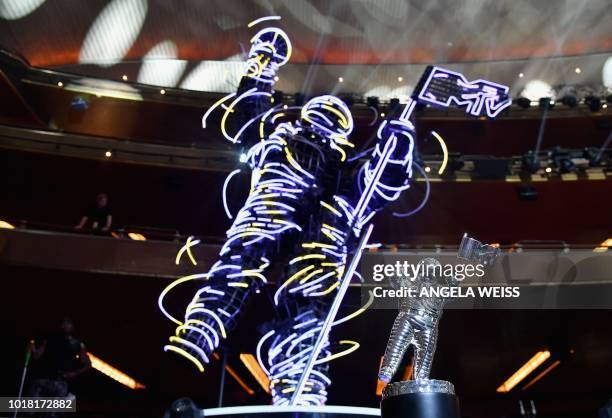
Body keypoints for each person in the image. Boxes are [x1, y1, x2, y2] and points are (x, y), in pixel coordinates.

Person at [28, 318, 91, 402]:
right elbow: (36, 356)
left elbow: (88, 364)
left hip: (60, 382)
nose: (66, 326)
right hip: (42, 379)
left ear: (73, 327)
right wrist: (32, 349)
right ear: (61, 325)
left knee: (52, 413)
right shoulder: (49, 339)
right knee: (32, 411)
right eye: (64, 323)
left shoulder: (78, 344)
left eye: (69, 323)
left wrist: (74, 373)